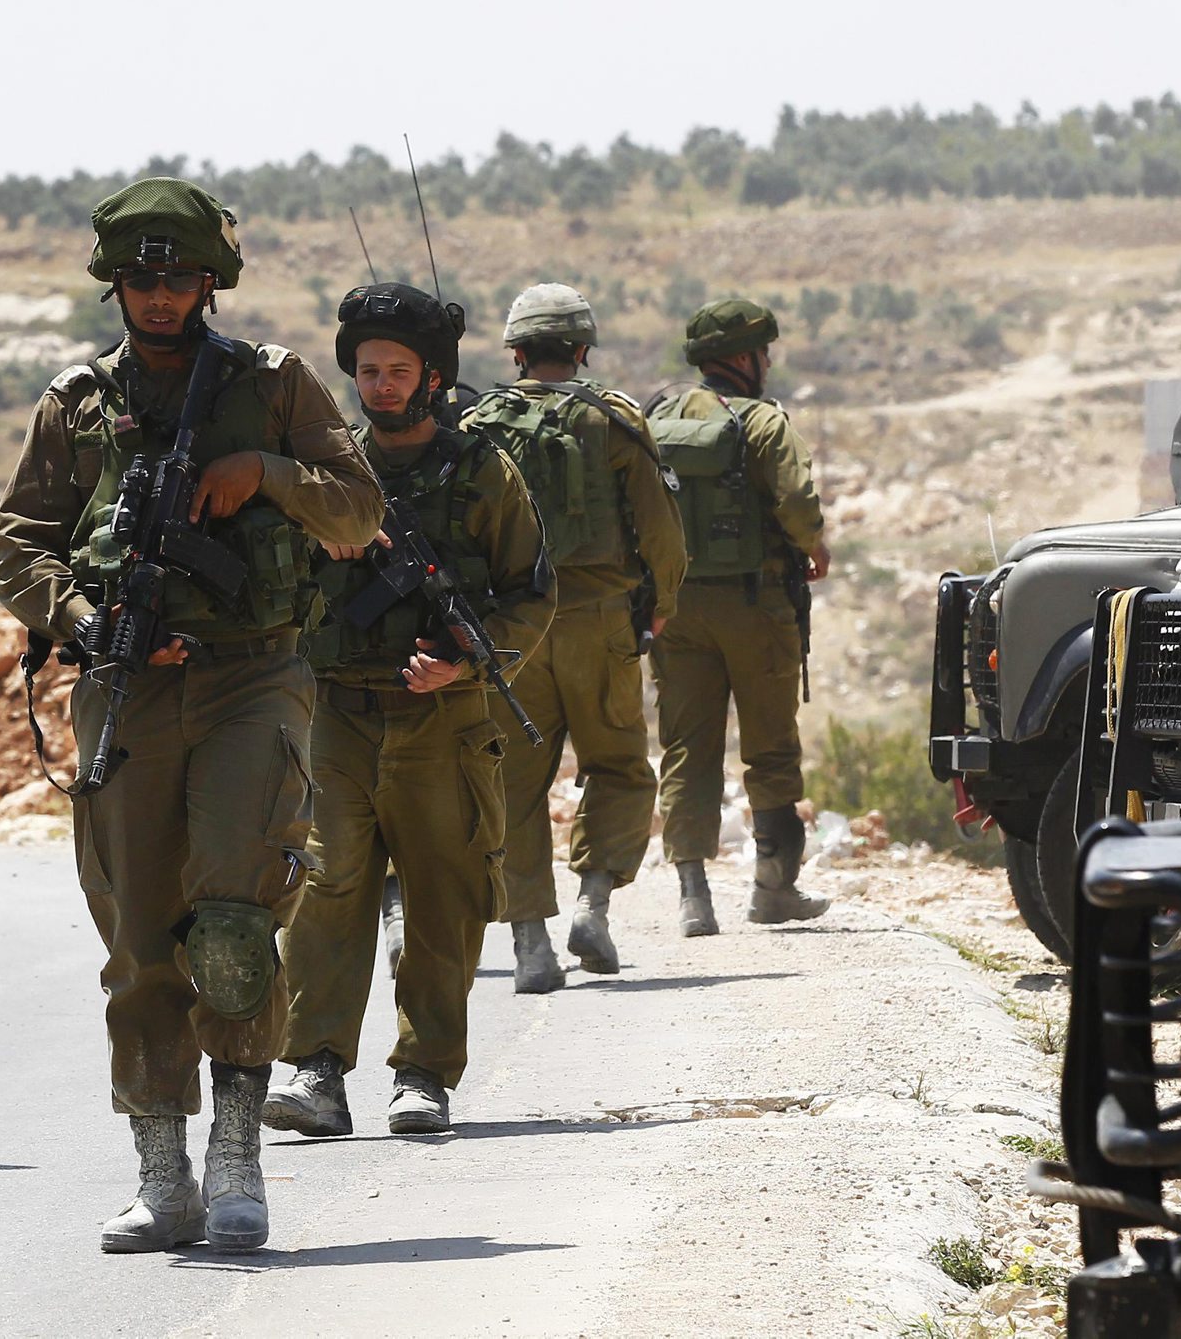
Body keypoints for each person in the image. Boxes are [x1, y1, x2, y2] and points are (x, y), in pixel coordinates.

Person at [0, 178, 382, 1254]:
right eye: (139, 279)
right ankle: (162, 1173)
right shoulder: (76, 402)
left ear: (210, 281)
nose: (158, 296)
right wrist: (89, 621)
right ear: (114, 286)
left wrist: (265, 471)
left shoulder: (275, 385)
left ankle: (238, 1156)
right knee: (139, 940)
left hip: (252, 677)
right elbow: (18, 544)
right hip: (128, 690)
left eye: (177, 278)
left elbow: (359, 509)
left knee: (234, 923)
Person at [264, 283, 554, 1138]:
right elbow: (272, 574)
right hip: (336, 714)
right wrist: (314, 530)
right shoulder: (331, 474)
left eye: (397, 370)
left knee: (444, 898)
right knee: (326, 889)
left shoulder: (483, 472)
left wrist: (465, 661)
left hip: (444, 721)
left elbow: (532, 595)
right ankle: (315, 1069)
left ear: (433, 377)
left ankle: (424, 1074)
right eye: (367, 371)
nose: (381, 386)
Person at [461, 285, 687, 990]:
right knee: (618, 765)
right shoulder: (612, 419)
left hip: (509, 632)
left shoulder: (478, 425)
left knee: (512, 782)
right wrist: (662, 605)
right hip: (600, 621)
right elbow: (661, 531)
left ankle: (531, 945)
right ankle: (593, 904)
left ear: (517, 352)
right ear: (582, 349)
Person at [649, 298, 831, 930]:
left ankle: (693, 897)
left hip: (676, 610)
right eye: (763, 353)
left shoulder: (659, 416)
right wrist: (816, 547)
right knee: (771, 747)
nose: (768, 363)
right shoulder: (763, 421)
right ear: (746, 358)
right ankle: (772, 888)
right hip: (757, 605)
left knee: (686, 747)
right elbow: (797, 502)